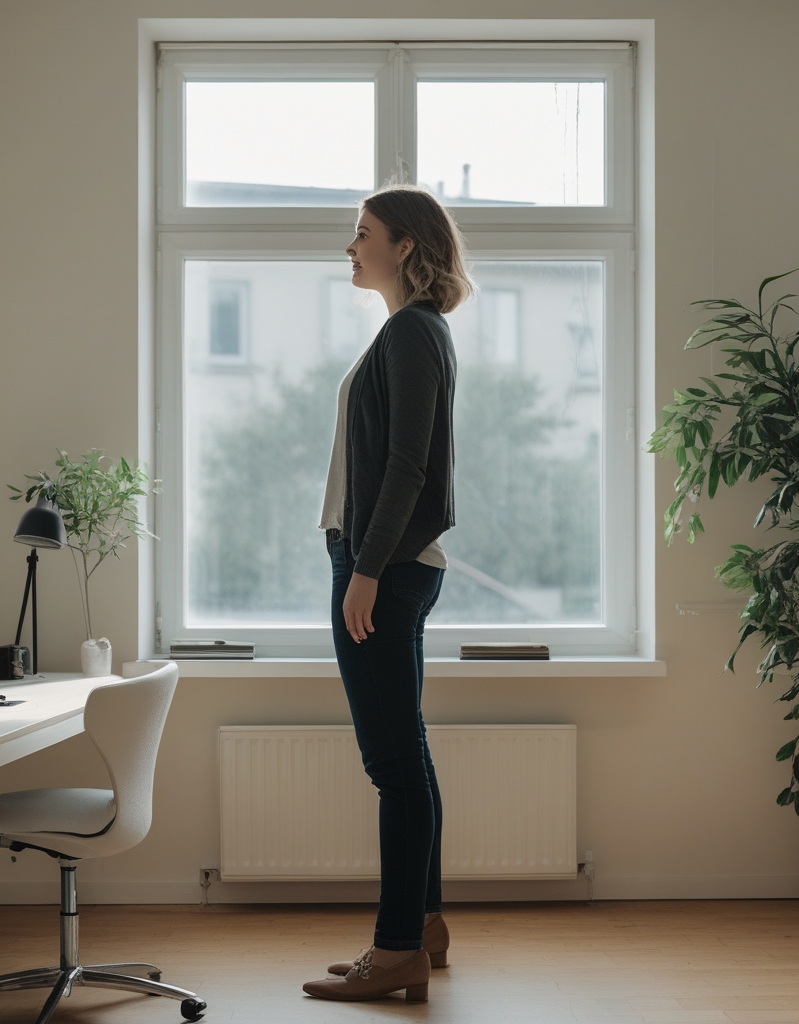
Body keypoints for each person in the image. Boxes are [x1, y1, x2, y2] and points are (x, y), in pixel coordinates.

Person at [302, 186, 474, 1003]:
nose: (350, 247)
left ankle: (397, 948)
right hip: (397, 564)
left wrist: (364, 569)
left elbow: (408, 463)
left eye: (362, 234)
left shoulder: (411, 332)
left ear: (406, 246)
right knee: (408, 754)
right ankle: (422, 924)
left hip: (384, 568)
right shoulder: (412, 331)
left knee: (392, 764)